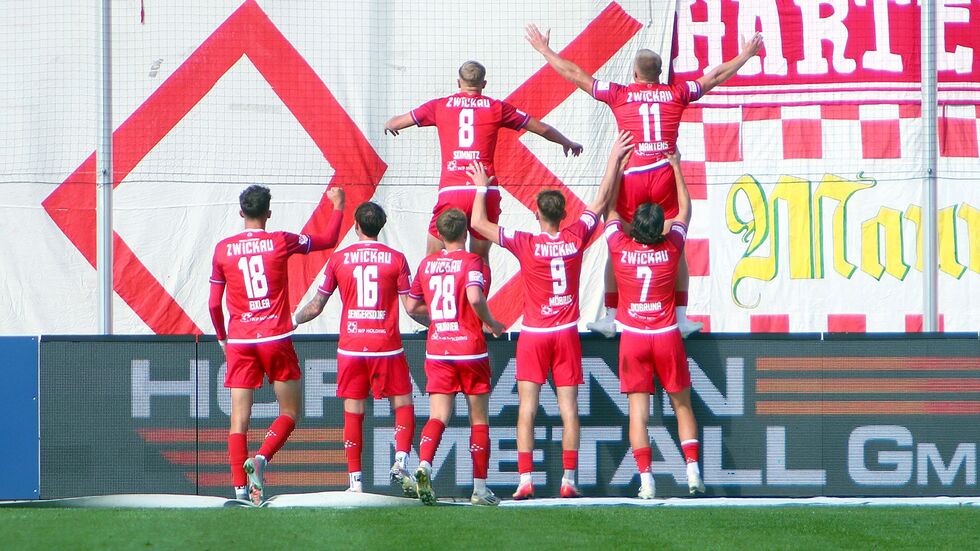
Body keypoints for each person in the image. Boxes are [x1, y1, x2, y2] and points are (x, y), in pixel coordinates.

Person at [526, 24, 764, 338]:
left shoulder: (620, 94)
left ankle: (612, 316)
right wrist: (745, 55)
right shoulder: (676, 93)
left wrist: (545, 50)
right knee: (674, 243)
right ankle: (681, 317)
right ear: (660, 74)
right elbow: (714, 76)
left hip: (632, 176)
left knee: (617, 241)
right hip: (664, 174)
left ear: (635, 74)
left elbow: (576, 75)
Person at [468, 131, 634, 499]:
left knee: (527, 407)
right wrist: (613, 160)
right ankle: (568, 479)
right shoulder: (575, 237)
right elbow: (601, 199)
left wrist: (482, 187)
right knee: (568, 408)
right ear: (564, 214)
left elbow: (478, 224)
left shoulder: (526, 243)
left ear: (536, 213)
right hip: (565, 333)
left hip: (534, 334)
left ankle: (525, 479)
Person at [384, 60, 583, 297]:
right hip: (485, 188)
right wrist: (567, 142)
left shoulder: (439, 106)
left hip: (452, 191)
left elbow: (397, 122)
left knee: (434, 255)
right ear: (484, 84)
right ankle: (477, 312)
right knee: (480, 257)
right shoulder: (496, 108)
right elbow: (541, 128)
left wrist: (390, 123)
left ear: (458, 83)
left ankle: (437, 310)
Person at [209, 185, 345, 504]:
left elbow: (214, 304)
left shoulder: (223, 249)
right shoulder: (280, 241)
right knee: (291, 411)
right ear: (268, 213)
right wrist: (339, 205)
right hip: (275, 337)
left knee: (238, 420)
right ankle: (261, 458)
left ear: (241, 212)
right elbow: (328, 239)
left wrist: (222, 337)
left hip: (241, 341)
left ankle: (239, 490)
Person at [292, 201, 427, 497]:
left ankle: (355, 483)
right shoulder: (396, 259)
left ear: (355, 226)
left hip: (352, 348)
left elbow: (316, 306)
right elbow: (411, 308)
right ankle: (401, 461)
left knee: (353, 412)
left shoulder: (340, 259)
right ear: (381, 226)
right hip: (386, 347)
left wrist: (292, 320)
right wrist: (438, 323)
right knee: (403, 404)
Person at [602, 150, 704, 499]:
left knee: (638, 414)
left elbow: (610, 210)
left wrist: (617, 169)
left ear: (634, 226)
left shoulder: (619, 246)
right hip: (665, 335)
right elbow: (685, 209)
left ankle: (646, 481)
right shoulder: (673, 246)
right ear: (661, 227)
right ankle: (693, 473)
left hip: (634, 337)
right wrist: (676, 166)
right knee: (682, 405)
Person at [404, 208, 507, 506]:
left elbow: (411, 306)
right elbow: (474, 297)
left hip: (439, 348)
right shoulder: (472, 261)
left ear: (439, 234)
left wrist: (439, 319)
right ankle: (480, 489)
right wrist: (491, 322)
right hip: (469, 350)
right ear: (465, 233)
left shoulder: (427, 265)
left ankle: (424, 465)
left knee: (438, 416)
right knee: (479, 419)